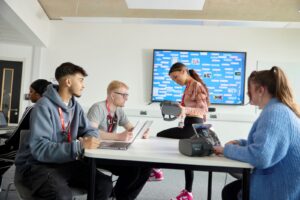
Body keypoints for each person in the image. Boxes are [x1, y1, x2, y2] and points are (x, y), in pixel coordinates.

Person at [14, 62, 113, 200]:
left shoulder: (75, 106)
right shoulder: (43, 106)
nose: (83, 85)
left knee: (105, 184)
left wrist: (89, 138)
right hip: (39, 165)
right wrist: (79, 146)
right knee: (62, 195)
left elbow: (90, 130)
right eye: (80, 80)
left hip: (66, 161)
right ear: (68, 81)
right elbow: (39, 149)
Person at [214, 66, 300, 200]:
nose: (248, 96)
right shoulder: (279, 109)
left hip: (281, 189)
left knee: (230, 193)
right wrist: (242, 143)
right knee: (230, 190)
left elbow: (261, 157)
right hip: (285, 182)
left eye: (250, 91)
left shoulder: (275, 113)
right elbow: (270, 144)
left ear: (261, 90)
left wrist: (226, 150)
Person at [87, 80, 155, 200]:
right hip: (98, 153)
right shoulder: (98, 108)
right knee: (132, 169)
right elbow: (91, 133)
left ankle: (124, 197)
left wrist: (142, 131)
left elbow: (130, 127)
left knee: (146, 167)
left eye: (127, 95)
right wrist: (118, 136)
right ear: (113, 95)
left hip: (111, 151)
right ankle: (119, 196)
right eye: (123, 95)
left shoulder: (119, 110)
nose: (126, 98)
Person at [157, 62, 210, 200]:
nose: (175, 81)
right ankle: (188, 193)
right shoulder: (188, 86)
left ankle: (156, 170)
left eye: (175, 77)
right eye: (172, 79)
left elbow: (203, 110)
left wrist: (184, 109)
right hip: (189, 124)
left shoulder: (196, 86)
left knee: (160, 135)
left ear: (183, 71)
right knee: (187, 160)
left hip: (194, 124)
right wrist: (180, 110)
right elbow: (189, 109)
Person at [0, 79, 51, 188]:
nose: (29, 94)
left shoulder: (32, 109)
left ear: (38, 95)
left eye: (31, 91)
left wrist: (6, 142)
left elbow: (17, 135)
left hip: (24, 151)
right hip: (41, 153)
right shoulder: (53, 110)